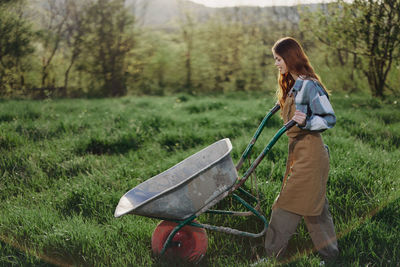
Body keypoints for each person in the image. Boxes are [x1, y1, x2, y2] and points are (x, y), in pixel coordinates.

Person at [264, 37, 339, 261]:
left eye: (278, 59)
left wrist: (306, 122)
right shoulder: (295, 86)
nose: (276, 64)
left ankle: (271, 256)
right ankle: (331, 256)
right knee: (314, 207)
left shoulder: (310, 85)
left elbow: (329, 118)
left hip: (311, 154)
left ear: (289, 57)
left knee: (285, 204)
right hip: (301, 153)